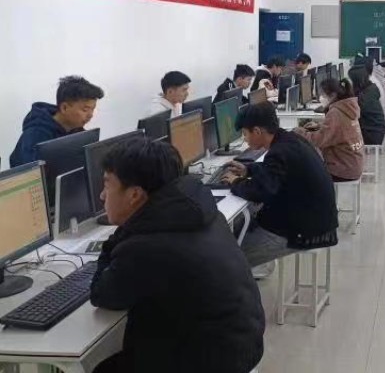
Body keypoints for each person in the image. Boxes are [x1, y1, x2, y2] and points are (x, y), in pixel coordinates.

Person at [90, 139, 264, 373]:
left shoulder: (145, 246)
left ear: (135, 195)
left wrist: (116, 237)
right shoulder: (200, 211)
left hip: (210, 362)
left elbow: (102, 294)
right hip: (241, 345)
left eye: (107, 185)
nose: (102, 196)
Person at [221, 102, 338, 267]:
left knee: (228, 260)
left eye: (245, 134)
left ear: (257, 131)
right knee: (239, 227)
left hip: (304, 231)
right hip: (314, 220)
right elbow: (277, 171)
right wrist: (249, 170)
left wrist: (235, 182)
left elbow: (261, 192)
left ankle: (237, 274)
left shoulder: (278, 152)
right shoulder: (289, 139)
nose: (244, 139)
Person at [10, 76, 104, 167]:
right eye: (85, 110)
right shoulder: (35, 134)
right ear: (64, 108)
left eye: (93, 109)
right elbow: (30, 173)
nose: (90, 115)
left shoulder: (78, 130)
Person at [295, 79, 364, 181]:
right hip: (352, 164)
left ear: (333, 95)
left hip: (342, 169)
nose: (320, 98)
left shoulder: (335, 113)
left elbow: (318, 141)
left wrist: (300, 132)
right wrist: (320, 126)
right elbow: (339, 130)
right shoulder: (347, 108)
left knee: (300, 172)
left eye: (322, 95)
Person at [349, 64, 385, 146]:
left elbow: (354, 111)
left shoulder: (367, 95)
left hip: (372, 133)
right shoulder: (369, 88)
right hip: (374, 129)